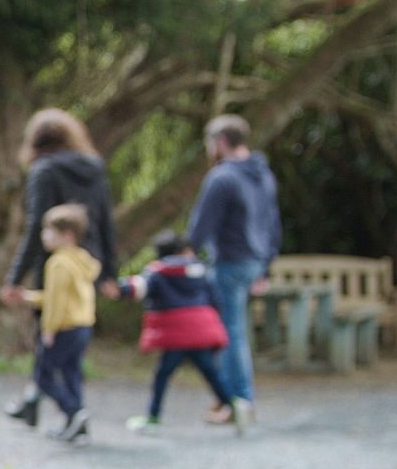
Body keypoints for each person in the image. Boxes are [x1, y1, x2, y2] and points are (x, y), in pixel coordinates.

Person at [0, 108, 118, 426]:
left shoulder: (44, 171)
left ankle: (69, 409)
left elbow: (36, 227)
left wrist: (14, 278)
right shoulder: (94, 168)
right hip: (88, 263)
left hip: (55, 266)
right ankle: (35, 401)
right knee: (71, 342)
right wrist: (110, 273)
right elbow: (106, 221)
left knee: (51, 339)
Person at [187, 113, 281, 424]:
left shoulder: (222, 177)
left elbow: (200, 226)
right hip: (253, 262)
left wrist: (185, 255)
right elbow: (272, 224)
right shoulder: (263, 174)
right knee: (232, 331)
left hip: (228, 262)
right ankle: (228, 398)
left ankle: (238, 401)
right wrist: (266, 267)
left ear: (221, 142)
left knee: (228, 334)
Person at [116, 231, 248, 435]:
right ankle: (232, 403)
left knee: (163, 374)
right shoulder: (200, 270)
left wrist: (119, 289)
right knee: (210, 372)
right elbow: (216, 300)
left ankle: (153, 415)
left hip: (176, 334)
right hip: (200, 330)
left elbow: (140, 287)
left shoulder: (158, 271)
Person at [20, 203, 97, 444]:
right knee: (71, 373)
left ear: (67, 235)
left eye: (49, 231)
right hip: (82, 325)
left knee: (43, 375)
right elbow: (56, 296)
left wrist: (48, 330)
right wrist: (28, 296)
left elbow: (57, 302)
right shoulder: (81, 260)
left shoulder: (58, 263)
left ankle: (74, 413)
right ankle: (76, 427)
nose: (44, 236)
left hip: (63, 327)